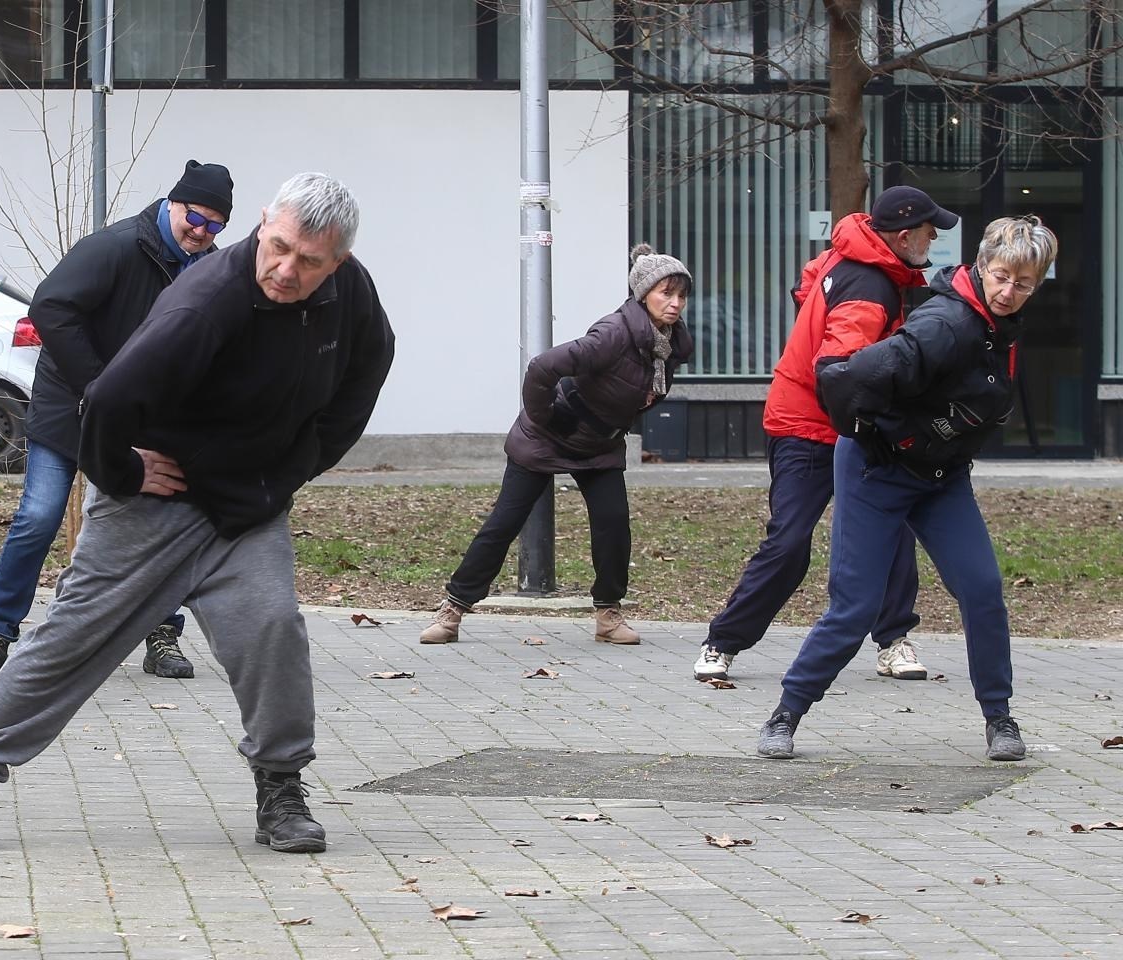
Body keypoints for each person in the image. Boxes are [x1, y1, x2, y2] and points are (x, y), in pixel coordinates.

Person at [0, 172, 394, 855]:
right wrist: (124, 470)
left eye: (309, 261)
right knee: (71, 639)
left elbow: (368, 368)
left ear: (337, 262)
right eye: (280, 246)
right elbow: (108, 399)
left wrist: (300, 465)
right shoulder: (205, 301)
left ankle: (281, 786)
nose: (286, 270)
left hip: (248, 509)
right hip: (154, 503)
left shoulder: (351, 295)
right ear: (264, 224)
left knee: (273, 627)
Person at [757, 215, 1057, 763]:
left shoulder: (998, 325)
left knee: (983, 589)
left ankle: (1000, 718)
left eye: (1024, 283)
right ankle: (787, 712)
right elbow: (849, 376)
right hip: (876, 470)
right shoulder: (947, 323)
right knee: (856, 606)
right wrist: (867, 435)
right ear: (981, 267)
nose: (1009, 291)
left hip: (941, 478)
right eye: (1001, 276)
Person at [0, 159, 236, 680]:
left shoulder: (210, 269)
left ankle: (161, 634)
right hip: (71, 405)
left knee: (158, 525)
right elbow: (50, 308)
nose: (201, 233)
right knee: (39, 516)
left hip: (147, 418)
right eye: (195, 219)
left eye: (214, 226)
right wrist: (97, 385)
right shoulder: (114, 247)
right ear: (173, 204)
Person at [693, 186, 954, 683]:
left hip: (827, 420)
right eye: (928, 231)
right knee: (790, 541)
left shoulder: (851, 253)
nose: (934, 239)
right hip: (813, 427)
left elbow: (806, 285)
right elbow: (840, 369)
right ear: (903, 236)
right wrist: (871, 424)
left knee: (890, 529)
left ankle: (894, 638)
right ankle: (722, 642)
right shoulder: (871, 288)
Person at [419, 244, 694, 647]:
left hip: (599, 444)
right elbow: (542, 367)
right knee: (504, 523)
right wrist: (546, 416)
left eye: (681, 295)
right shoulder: (613, 334)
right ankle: (453, 608)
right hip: (546, 436)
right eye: (665, 293)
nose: (675, 304)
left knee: (613, 524)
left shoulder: (667, 344)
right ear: (643, 293)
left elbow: (640, 391)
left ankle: (608, 614)